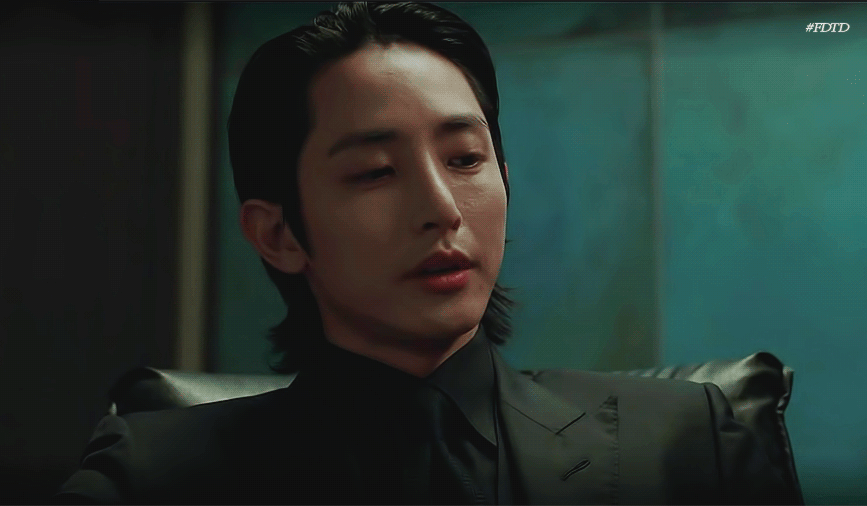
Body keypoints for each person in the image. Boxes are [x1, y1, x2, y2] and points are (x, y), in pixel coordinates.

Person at [55, 2, 795, 504]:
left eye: (465, 159)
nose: (442, 208)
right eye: (375, 172)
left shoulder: (682, 442)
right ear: (279, 234)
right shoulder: (153, 475)